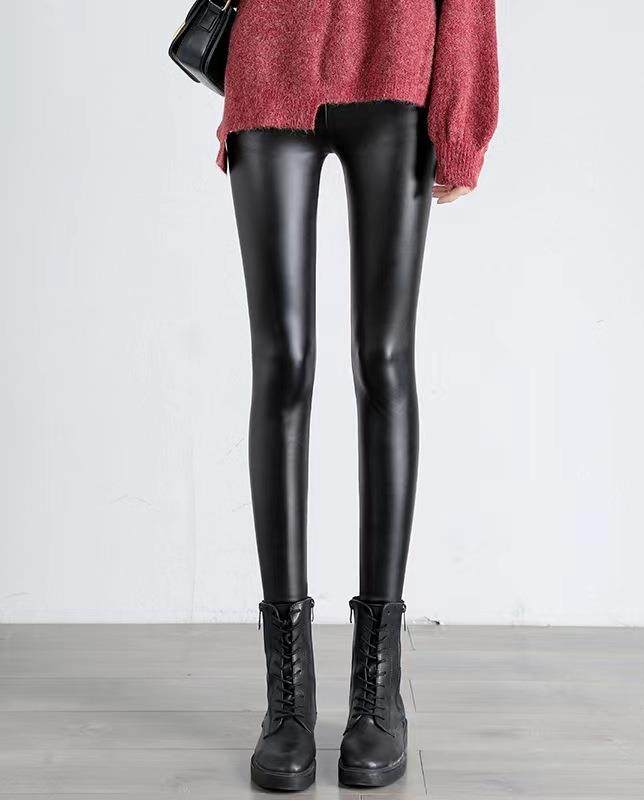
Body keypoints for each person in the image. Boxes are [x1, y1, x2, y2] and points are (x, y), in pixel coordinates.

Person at [215, 0, 498, 790]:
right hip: (270, 62)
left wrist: (461, 122)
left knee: (383, 359)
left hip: (396, 61)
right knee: (281, 363)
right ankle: (288, 699)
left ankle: (377, 689)